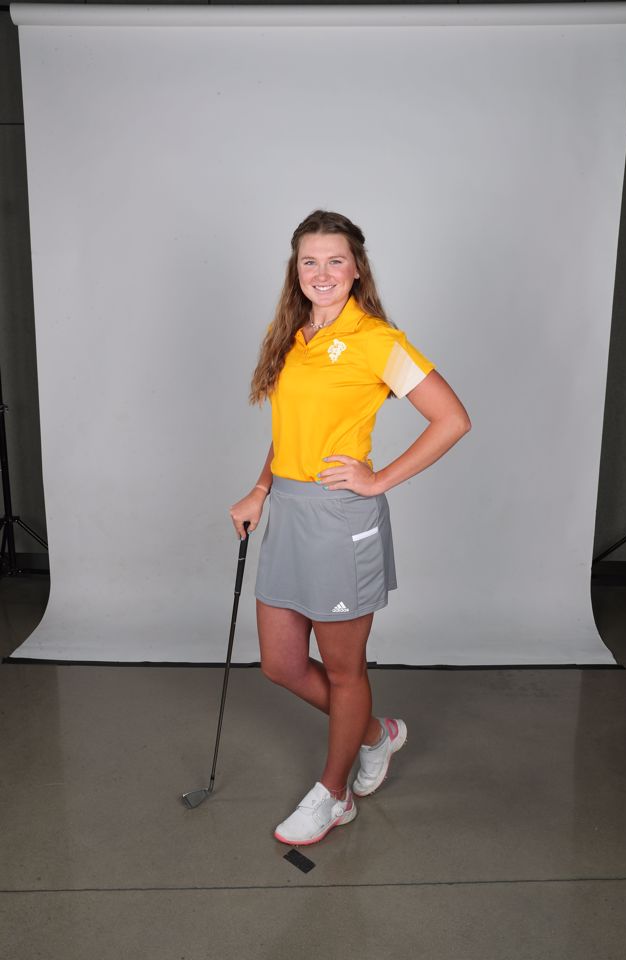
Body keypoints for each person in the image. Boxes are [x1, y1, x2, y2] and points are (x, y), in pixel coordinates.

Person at [229, 209, 471, 846]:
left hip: (341, 521)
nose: (322, 272)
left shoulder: (377, 340)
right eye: (309, 261)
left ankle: (334, 795)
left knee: (343, 672)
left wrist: (378, 478)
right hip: (287, 513)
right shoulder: (291, 334)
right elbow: (290, 432)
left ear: (356, 268)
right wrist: (259, 490)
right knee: (281, 663)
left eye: (335, 260)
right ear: (296, 270)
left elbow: (452, 419)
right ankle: (375, 734)